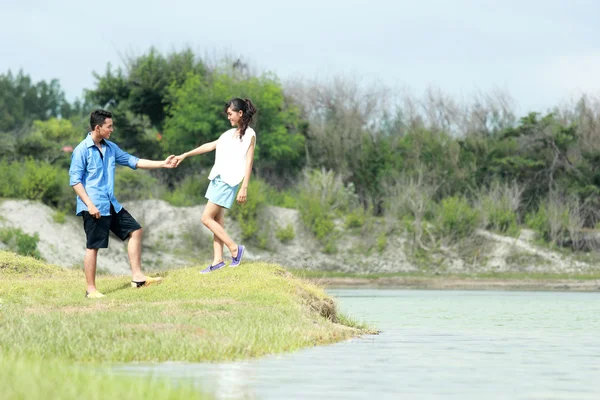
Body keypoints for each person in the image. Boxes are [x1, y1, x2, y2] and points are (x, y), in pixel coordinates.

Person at [69, 109, 177, 298]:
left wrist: (163, 163)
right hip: (93, 206)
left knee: (135, 230)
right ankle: (91, 290)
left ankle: (138, 278)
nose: (112, 129)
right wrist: (89, 205)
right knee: (93, 246)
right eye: (109, 126)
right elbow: (75, 181)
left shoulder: (111, 148)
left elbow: (132, 161)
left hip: (110, 203)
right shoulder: (81, 150)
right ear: (97, 127)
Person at [173, 98, 257, 273]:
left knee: (206, 218)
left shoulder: (250, 135)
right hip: (217, 178)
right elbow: (209, 146)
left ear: (240, 113)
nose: (228, 117)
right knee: (217, 220)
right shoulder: (228, 134)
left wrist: (244, 187)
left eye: (230, 114)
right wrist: (185, 155)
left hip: (229, 181)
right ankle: (218, 260)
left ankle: (234, 248)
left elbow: (249, 162)